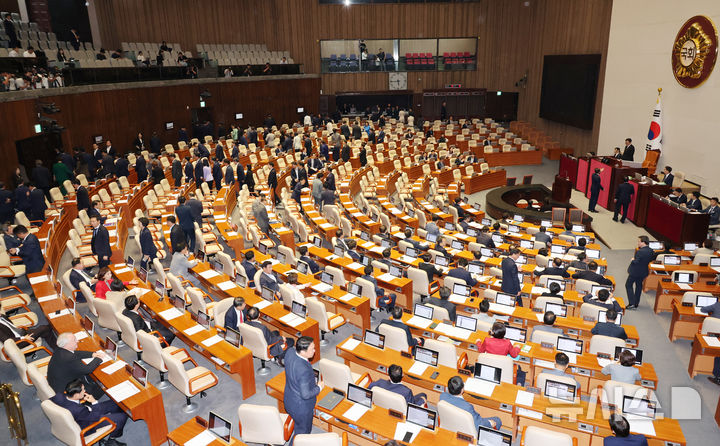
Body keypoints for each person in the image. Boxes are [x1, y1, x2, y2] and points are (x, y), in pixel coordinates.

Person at [50, 379, 128, 446]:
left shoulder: (59, 396)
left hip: (83, 414)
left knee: (114, 403)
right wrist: (94, 402)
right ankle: (112, 439)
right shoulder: (78, 410)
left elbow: (49, 402)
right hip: (87, 423)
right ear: (76, 394)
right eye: (83, 390)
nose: (85, 391)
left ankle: (115, 423)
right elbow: (95, 417)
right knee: (121, 417)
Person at [283, 336, 322, 440]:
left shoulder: (290, 352)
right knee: (302, 433)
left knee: (298, 425)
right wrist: (319, 388)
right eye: (312, 349)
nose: (315, 350)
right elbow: (306, 395)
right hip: (301, 408)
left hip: (289, 399)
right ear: (303, 352)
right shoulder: (303, 369)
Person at [47, 332, 105, 398]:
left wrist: (92, 354)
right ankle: (87, 402)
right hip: (67, 388)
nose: (77, 341)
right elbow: (87, 370)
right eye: (74, 340)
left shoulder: (60, 349)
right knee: (103, 387)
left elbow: (75, 353)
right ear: (67, 344)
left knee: (90, 377)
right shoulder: (69, 358)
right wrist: (98, 359)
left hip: (56, 381)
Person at [625, 236, 654, 309]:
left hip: (635, 272)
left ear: (643, 242)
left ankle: (631, 303)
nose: (638, 243)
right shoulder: (651, 250)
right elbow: (650, 260)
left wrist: (632, 260)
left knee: (628, 285)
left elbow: (636, 262)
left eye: (639, 241)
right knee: (638, 286)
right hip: (643, 272)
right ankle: (636, 303)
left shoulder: (640, 251)